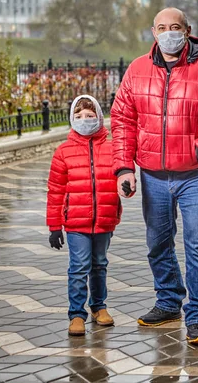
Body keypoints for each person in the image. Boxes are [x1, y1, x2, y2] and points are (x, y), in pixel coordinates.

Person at [110, 7, 198, 346]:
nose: (169, 32)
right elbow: (122, 120)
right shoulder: (137, 69)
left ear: (187, 30)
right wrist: (124, 167)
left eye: (175, 27)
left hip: (195, 175)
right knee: (157, 242)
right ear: (153, 32)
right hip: (152, 175)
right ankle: (169, 301)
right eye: (162, 27)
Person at [47, 95, 121, 336]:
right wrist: (54, 226)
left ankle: (99, 307)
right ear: (71, 120)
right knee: (79, 267)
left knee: (99, 265)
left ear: (99, 118)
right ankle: (76, 313)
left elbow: (123, 179)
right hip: (76, 222)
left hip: (104, 219)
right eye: (78, 116)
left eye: (89, 116)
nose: (84, 120)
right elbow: (55, 190)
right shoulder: (63, 151)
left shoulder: (112, 148)